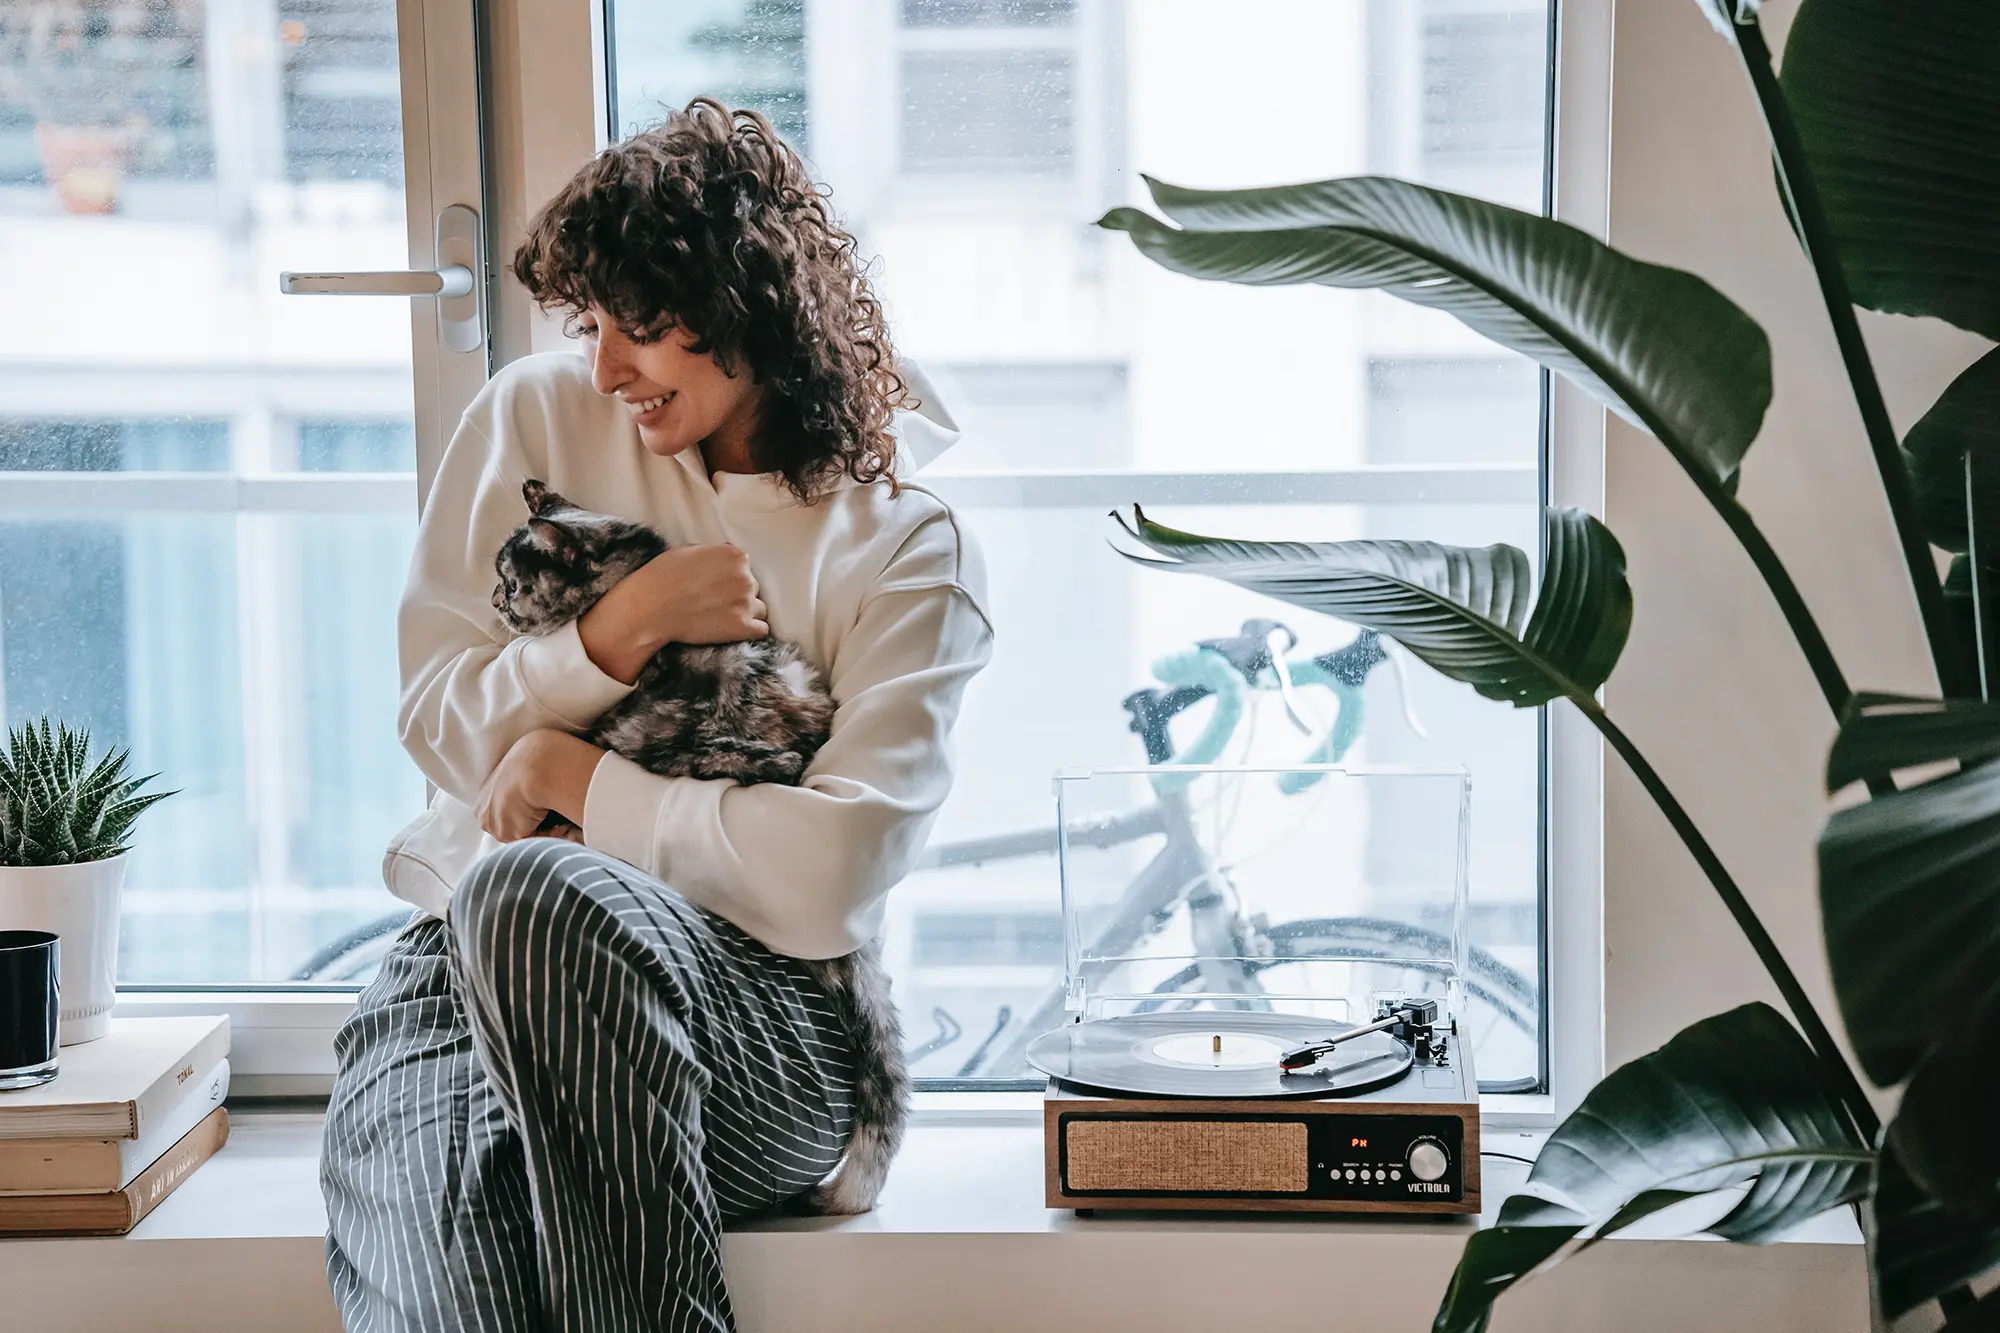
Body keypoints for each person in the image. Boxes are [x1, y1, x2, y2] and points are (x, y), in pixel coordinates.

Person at [319, 98, 993, 1333]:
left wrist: (577, 782)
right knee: (438, 1291)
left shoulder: (902, 544)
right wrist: (610, 633)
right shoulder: (534, 418)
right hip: (455, 980)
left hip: (767, 1017)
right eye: (590, 325)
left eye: (640, 327)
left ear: (750, 306)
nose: (605, 366)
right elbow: (438, 725)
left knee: (533, 890)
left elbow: (827, 874)